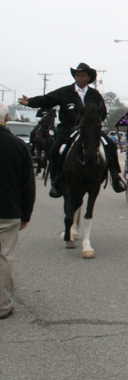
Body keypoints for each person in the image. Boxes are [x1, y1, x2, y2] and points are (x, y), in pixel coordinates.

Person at [18, 62, 126, 197]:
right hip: (68, 128)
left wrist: (94, 121)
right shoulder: (65, 92)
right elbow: (47, 100)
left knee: (110, 145)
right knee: (55, 151)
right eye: (78, 75)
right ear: (75, 76)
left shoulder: (94, 94)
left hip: (90, 128)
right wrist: (30, 102)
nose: (80, 77)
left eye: (83, 75)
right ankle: (56, 182)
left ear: (88, 78)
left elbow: (103, 111)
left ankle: (116, 178)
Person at [0, 101, 36, 320]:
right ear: (5, 119)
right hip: (8, 211)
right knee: (4, 257)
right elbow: (28, 184)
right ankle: (2, 305)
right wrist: (26, 215)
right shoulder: (19, 145)